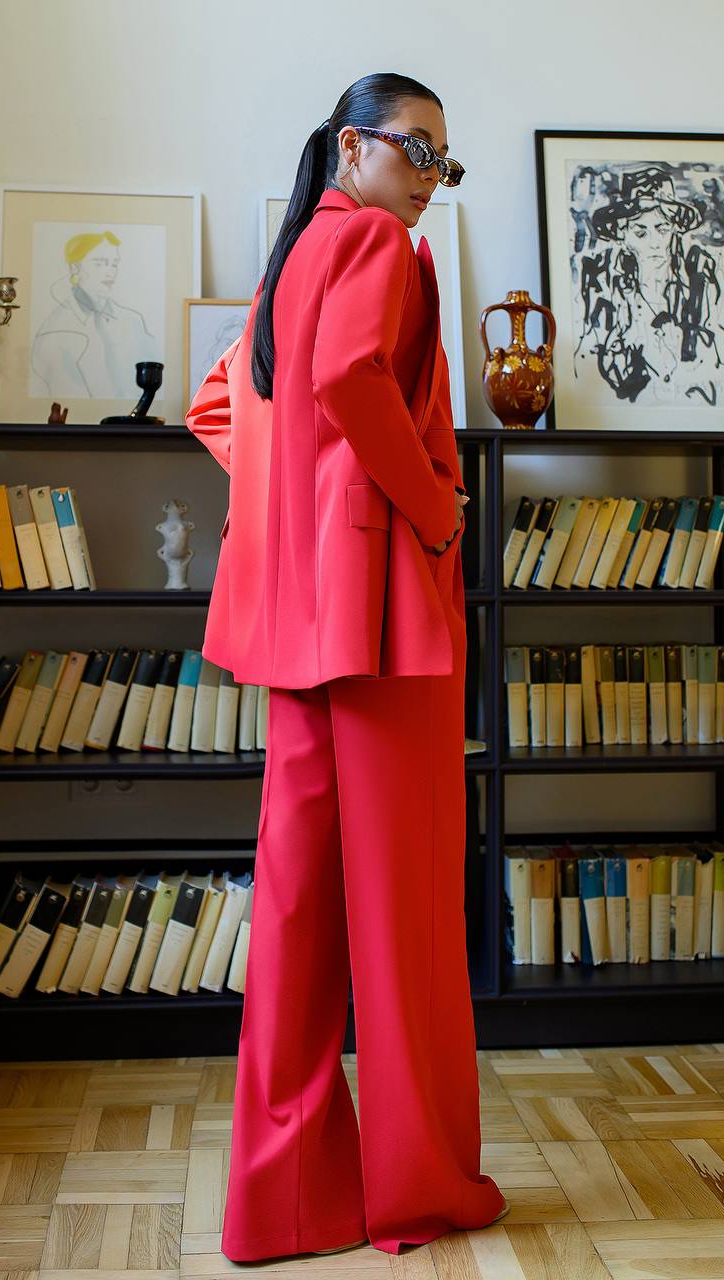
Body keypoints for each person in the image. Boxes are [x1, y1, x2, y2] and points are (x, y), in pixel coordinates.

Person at [184, 71, 507, 1262]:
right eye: (414, 150)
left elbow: (221, 406)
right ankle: (414, 1191)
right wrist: (431, 510)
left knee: (299, 920)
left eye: (442, 161)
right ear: (351, 147)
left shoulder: (287, 266)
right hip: (384, 632)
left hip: (296, 635)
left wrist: (292, 503)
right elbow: (347, 383)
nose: (428, 179)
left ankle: (282, 1203)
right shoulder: (381, 248)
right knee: (406, 924)